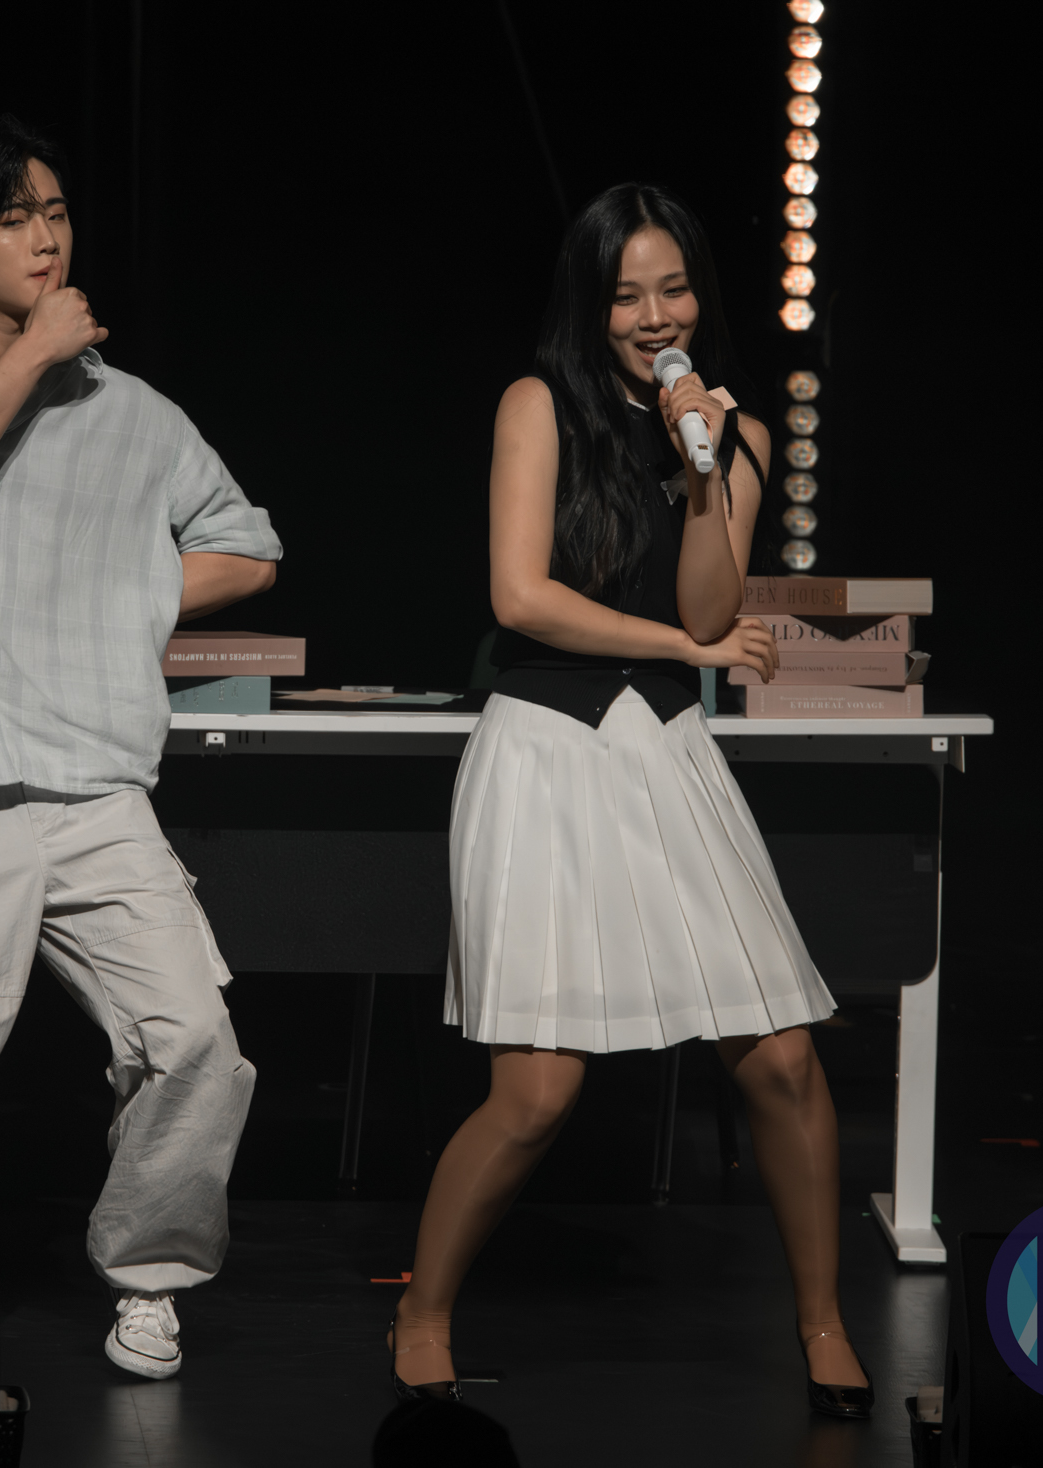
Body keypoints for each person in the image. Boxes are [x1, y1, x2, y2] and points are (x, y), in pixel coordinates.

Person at [387, 183, 873, 1420]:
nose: (656, 318)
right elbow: (520, 597)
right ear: (588, 304)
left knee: (781, 1057)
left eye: (674, 290)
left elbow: (711, 604)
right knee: (536, 1093)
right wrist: (685, 648)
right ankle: (424, 1310)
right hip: (544, 748)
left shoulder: (734, 431)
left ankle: (822, 1321)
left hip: (662, 747)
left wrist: (706, 469)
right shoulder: (536, 403)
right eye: (627, 296)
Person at [0, 115, 281, 1382]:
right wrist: (34, 352)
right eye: (12, 216)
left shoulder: (130, 411)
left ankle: (152, 1272)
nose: (45, 236)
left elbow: (246, 545)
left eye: (56, 212)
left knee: (192, 1039)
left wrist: (113, 590)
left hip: (89, 780)